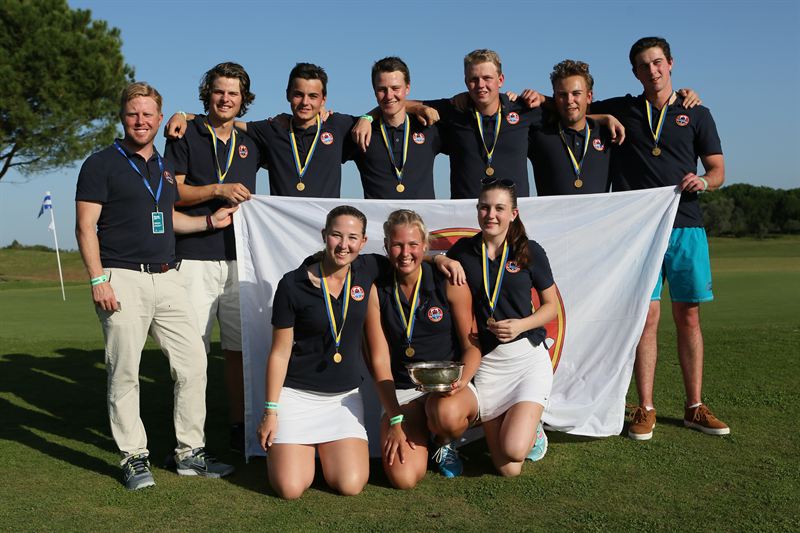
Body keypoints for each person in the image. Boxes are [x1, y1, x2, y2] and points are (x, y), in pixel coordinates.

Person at [75, 82, 236, 491]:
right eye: (133, 114)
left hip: (168, 276)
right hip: (121, 277)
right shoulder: (100, 164)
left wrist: (208, 222)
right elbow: (85, 227)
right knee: (124, 371)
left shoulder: (163, 167)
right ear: (122, 117)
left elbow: (167, 218)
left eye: (148, 114)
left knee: (194, 364)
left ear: (160, 119)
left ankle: (189, 453)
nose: (141, 121)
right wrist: (98, 279)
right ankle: (133, 456)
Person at [255, 206, 464, 498]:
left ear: (363, 242)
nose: (344, 245)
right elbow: (279, 353)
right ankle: (299, 455)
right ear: (324, 235)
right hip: (297, 397)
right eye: (336, 235)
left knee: (350, 485)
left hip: (343, 400)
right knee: (290, 488)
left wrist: (439, 257)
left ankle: (319, 454)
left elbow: (407, 257)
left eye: (352, 238)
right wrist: (270, 411)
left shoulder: (368, 269)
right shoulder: (293, 284)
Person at [590, 37, 729, 440]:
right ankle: (645, 407)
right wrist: (603, 117)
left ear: (670, 63)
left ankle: (694, 406)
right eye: (643, 65)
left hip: (686, 226)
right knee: (646, 318)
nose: (652, 70)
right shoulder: (623, 109)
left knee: (689, 316)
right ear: (634, 72)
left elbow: (718, 170)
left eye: (657, 63)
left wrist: (705, 181)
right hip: (639, 233)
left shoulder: (697, 112)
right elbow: (569, 107)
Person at [164, 62, 261, 453]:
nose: (225, 99)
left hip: (241, 259)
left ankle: (240, 426)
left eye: (233, 93)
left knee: (239, 352)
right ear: (208, 94)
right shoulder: (184, 133)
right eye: (219, 91)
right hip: (195, 256)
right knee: (192, 352)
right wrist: (219, 189)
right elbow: (174, 192)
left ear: (243, 99)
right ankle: (191, 438)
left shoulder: (251, 140)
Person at [447, 177, 558, 476]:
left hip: (526, 359)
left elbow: (551, 307)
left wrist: (521, 325)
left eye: (499, 208)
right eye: (484, 207)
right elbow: (427, 259)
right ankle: (519, 422)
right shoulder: (464, 251)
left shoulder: (529, 250)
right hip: (489, 365)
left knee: (514, 451)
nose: (491, 215)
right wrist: (441, 262)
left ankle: (534, 428)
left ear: (513, 213)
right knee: (508, 469)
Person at [364, 210, 481, 486]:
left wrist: (460, 382)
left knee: (446, 415)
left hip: (448, 389)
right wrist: (395, 418)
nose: (405, 253)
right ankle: (423, 433)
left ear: (425, 245)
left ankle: (443, 441)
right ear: (386, 246)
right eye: (397, 245)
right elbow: (379, 361)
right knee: (404, 478)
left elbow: (472, 346)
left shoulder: (448, 281)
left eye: (413, 245)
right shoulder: (376, 289)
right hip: (405, 391)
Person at [350, 57, 444, 199]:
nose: (389, 96)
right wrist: (320, 110)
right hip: (377, 215)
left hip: (421, 215)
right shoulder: (359, 131)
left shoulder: (429, 125)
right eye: (382, 89)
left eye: (395, 88)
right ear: (374, 91)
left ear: (407, 88)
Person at [528, 60, 614, 195]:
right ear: (554, 98)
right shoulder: (538, 135)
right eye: (562, 95)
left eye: (576, 93)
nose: (569, 100)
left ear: (589, 96)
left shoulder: (609, 135)